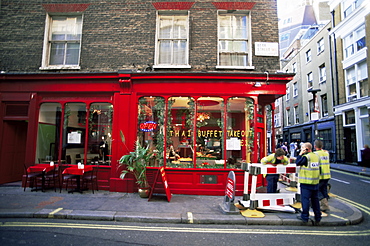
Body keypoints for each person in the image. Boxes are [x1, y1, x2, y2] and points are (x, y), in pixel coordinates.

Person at [296, 142, 321, 225]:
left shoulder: (306, 157)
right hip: (315, 182)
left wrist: (300, 154)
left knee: (305, 200)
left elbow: (297, 162)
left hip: (306, 182)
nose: (301, 149)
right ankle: (318, 216)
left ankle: (305, 217)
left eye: (303, 148)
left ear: (307, 149)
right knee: (315, 201)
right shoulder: (316, 156)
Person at [314, 140, 331, 212]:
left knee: (316, 190)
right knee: (324, 189)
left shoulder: (315, 154)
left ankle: (324, 204)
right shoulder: (326, 153)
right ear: (322, 146)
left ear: (315, 146)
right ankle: (325, 206)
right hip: (327, 175)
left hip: (319, 175)